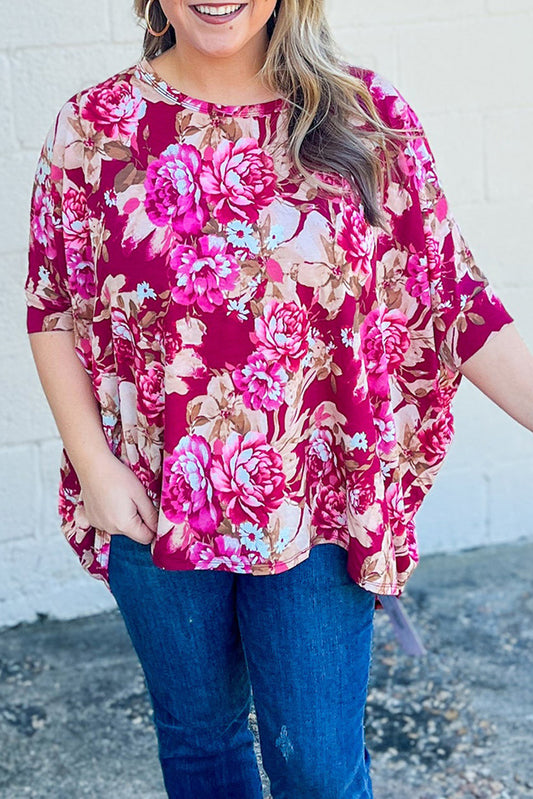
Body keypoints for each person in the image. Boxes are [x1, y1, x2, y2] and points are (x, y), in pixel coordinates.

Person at [23, 1, 533, 797]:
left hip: (317, 508)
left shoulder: (365, 120)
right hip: (153, 500)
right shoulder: (94, 127)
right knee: (200, 742)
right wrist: (93, 465)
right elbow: (53, 304)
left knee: (317, 768)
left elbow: (450, 298)